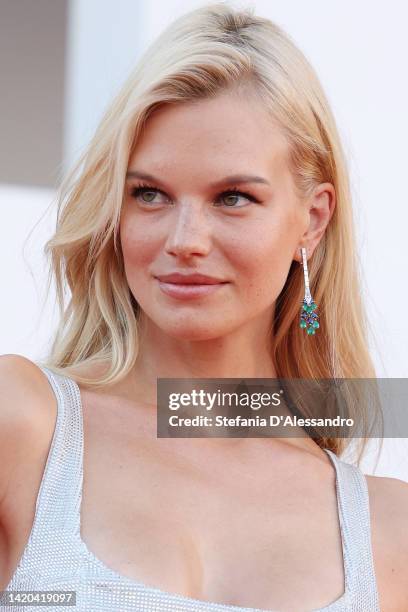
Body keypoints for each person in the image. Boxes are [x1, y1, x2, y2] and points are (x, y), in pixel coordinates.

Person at [1, 2, 407, 611]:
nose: (185, 240)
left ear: (313, 219)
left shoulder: (387, 535)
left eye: (233, 197)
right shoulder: (24, 428)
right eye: (149, 194)